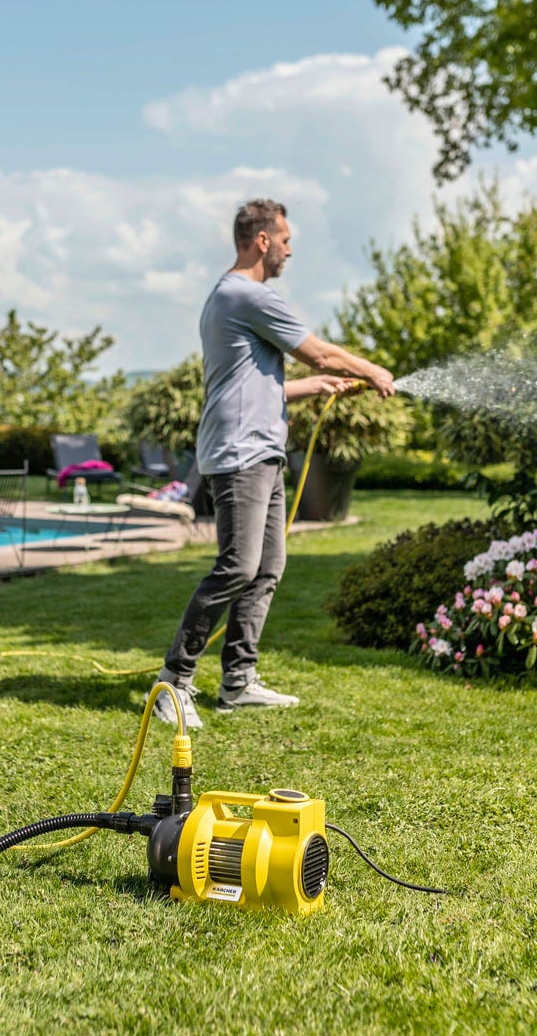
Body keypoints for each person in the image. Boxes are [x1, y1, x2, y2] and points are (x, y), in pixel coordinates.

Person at [155, 199, 396, 728]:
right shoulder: (248, 294)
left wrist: (315, 385)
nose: (290, 249)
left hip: (260, 451)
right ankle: (174, 682)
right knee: (238, 566)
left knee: (266, 569)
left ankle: (238, 682)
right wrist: (371, 369)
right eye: (285, 240)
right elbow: (319, 351)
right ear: (262, 241)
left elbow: (255, 385)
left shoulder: (226, 296)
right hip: (240, 453)